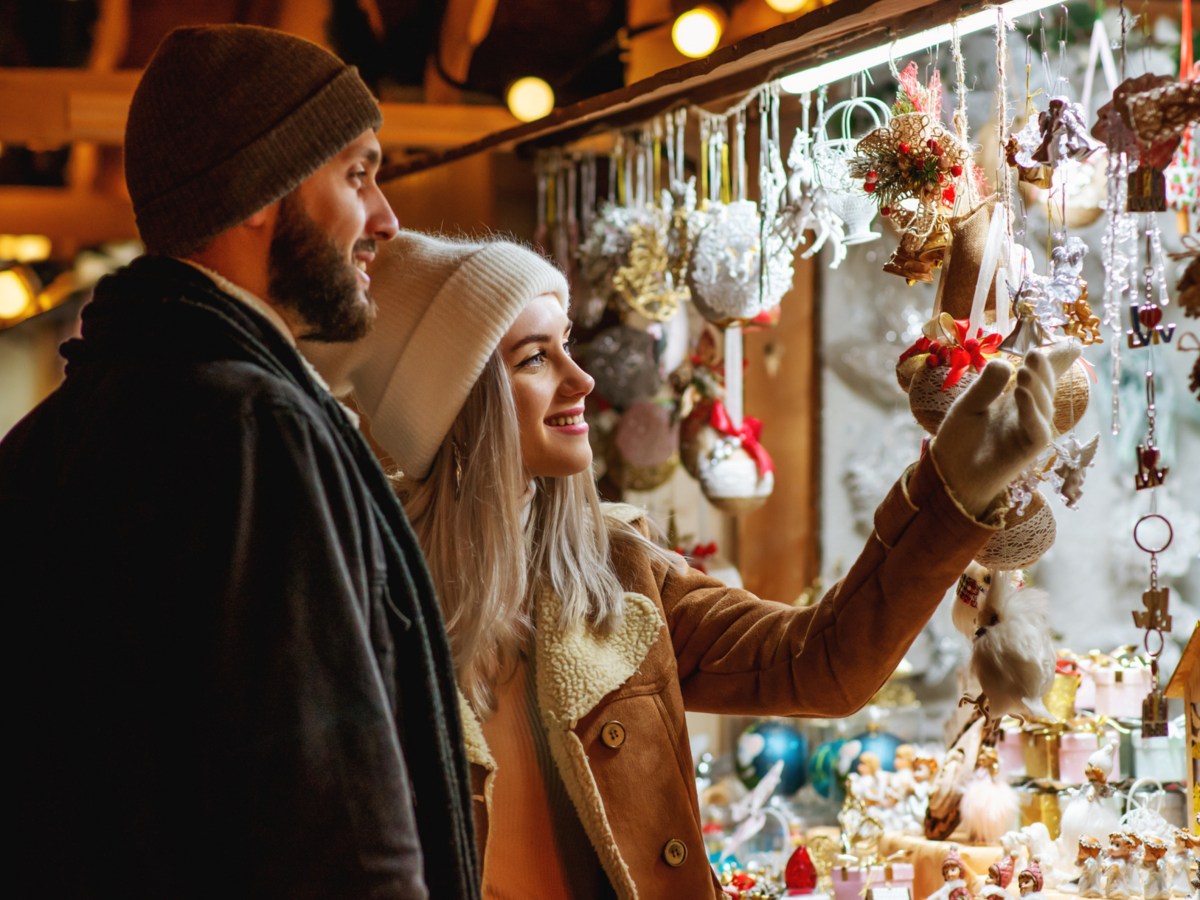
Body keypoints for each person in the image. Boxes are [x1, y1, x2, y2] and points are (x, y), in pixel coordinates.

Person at [303, 230, 1075, 899]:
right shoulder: (364, 600)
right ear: (455, 403)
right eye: (536, 358)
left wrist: (950, 491)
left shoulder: (618, 570)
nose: (581, 379)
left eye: (568, 343)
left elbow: (822, 664)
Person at [1, 26, 478, 899]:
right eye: (357, 174)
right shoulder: (257, 427)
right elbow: (336, 817)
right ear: (261, 189)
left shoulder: (41, 441)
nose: (386, 219)